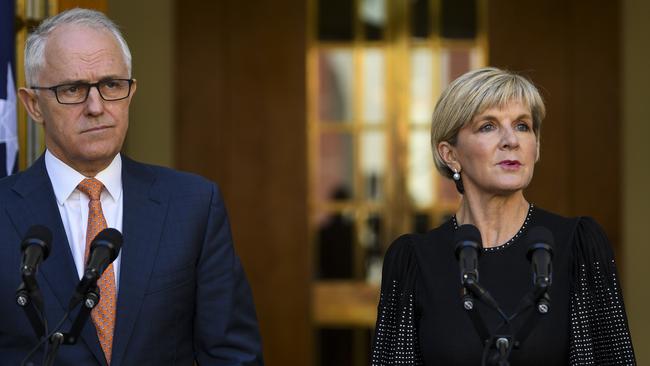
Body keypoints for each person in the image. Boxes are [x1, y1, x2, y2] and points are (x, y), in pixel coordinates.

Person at [0, 8, 263, 365]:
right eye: (73, 89)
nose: (96, 107)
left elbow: (233, 355)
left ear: (131, 92)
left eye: (111, 85)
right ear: (33, 105)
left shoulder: (193, 206)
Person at [371, 67, 636, 365]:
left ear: (535, 147)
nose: (512, 140)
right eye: (488, 126)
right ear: (450, 154)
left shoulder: (578, 246)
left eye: (523, 126)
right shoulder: (413, 262)